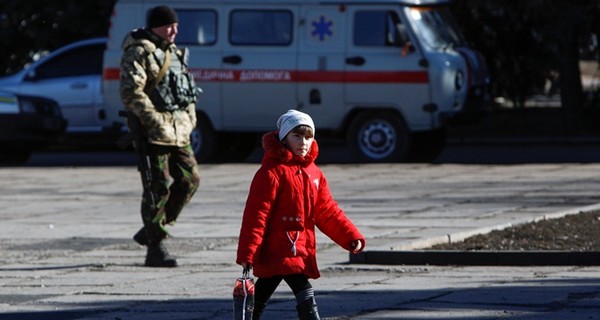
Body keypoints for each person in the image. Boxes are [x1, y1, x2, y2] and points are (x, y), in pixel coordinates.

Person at [236, 109, 366, 320]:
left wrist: (350, 236)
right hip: (275, 247)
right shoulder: (271, 172)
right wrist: (247, 254)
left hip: (298, 246)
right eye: (297, 136)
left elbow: (327, 210)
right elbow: (256, 216)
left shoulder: (313, 173)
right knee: (301, 287)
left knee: (265, 290)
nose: (303, 142)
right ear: (284, 138)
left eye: (309, 136)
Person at [120, 5, 201, 267]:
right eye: (169, 26)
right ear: (155, 27)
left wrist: (190, 120)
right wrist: (153, 120)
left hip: (179, 131)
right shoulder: (140, 52)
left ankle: (153, 229)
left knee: (190, 180)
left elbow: (186, 93)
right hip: (154, 133)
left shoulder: (174, 53)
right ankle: (155, 248)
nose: (175, 30)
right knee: (158, 188)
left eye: (176, 26)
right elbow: (132, 92)